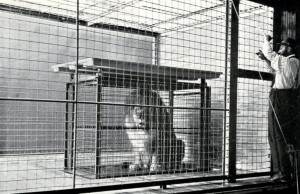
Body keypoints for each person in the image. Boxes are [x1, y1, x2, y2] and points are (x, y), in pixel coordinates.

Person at [257, 35, 300, 182]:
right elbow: (278, 73)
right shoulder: (294, 63)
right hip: (288, 99)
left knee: (276, 134)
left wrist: (266, 41)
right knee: (280, 134)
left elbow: (271, 54)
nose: (280, 48)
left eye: (282, 46)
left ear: (289, 48)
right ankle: (285, 171)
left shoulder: (288, 61)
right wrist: (265, 60)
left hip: (280, 98)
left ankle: (283, 172)